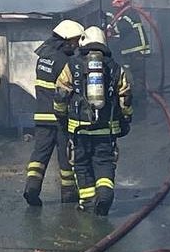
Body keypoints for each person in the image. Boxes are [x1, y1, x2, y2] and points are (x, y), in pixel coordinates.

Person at [60, 26, 132, 216]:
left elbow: (61, 93)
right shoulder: (115, 67)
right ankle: (105, 196)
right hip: (106, 129)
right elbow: (125, 96)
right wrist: (126, 118)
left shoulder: (72, 64)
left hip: (79, 128)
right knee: (104, 162)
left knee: (82, 164)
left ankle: (88, 202)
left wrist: (61, 117)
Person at [23, 19, 84, 207]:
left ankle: (31, 188)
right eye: (74, 41)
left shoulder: (44, 58)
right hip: (60, 117)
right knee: (65, 157)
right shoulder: (64, 61)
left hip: (42, 116)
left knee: (39, 155)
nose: (76, 45)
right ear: (65, 40)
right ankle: (68, 193)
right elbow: (68, 89)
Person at [107, 0, 152, 106]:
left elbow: (122, 27)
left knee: (137, 77)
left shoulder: (129, 13)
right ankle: (137, 97)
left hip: (136, 50)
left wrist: (109, 29)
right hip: (131, 51)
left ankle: (140, 102)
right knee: (132, 75)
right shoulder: (125, 13)